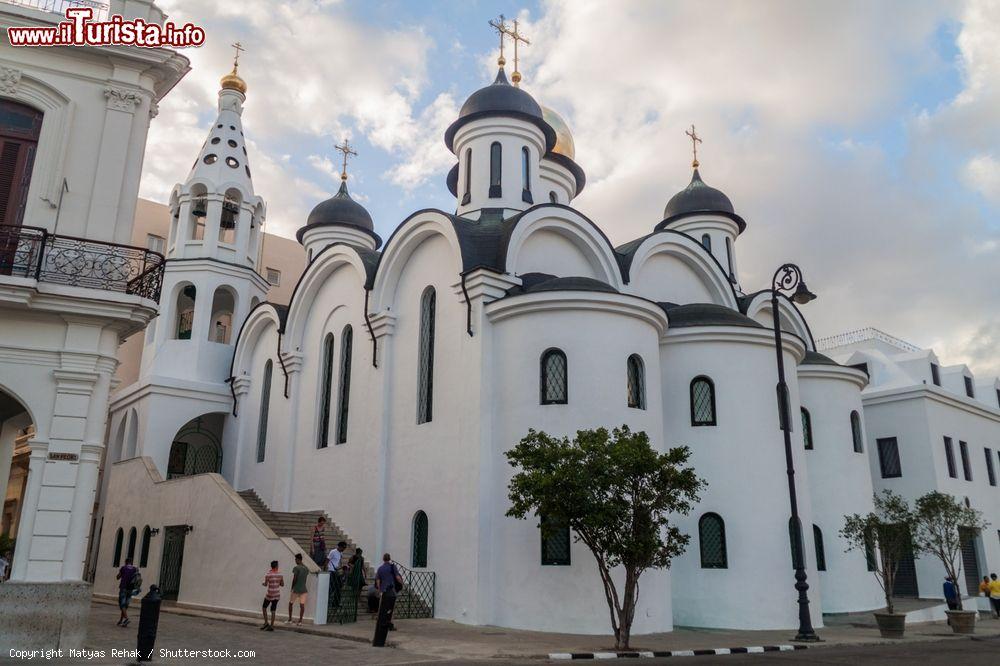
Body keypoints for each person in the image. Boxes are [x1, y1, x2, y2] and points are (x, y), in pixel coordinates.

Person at [374, 553, 403, 631]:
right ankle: (390, 624)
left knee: (381, 608)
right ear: (389, 558)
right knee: (391, 608)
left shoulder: (380, 568)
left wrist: (380, 589)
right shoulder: (392, 567)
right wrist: (401, 583)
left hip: (383, 591)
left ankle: (380, 623)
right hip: (391, 590)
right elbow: (397, 577)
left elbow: (378, 580)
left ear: (383, 559)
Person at [260, 560, 284, 631]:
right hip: (277, 594)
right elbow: (282, 584)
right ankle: (272, 626)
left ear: (271, 566)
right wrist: (277, 582)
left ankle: (266, 622)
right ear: (276, 566)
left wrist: (263, 583)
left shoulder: (268, 574)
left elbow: (265, 584)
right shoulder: (280, 574)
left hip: (270, 594)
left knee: (264, 607)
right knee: (273, 610)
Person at [115, 557, 138, 627]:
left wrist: (120, 574)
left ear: (126, 562)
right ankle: (121, 620)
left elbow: (118, 577)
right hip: (130, 589)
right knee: (125, 605)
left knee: (122, 604)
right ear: (131, 562)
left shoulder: (123, 568)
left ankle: (126, 618)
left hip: (123, 588)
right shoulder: (135, 569)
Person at [287, 554, 309, 625]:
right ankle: (300, 621)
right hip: (304, 589)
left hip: (296, 589)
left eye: (295, 559)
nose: (295, 561)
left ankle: (290, 619)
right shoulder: (306, 568)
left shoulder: (296, 568)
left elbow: (295, 578)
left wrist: (292, 587)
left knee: (290, 603)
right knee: (302, 605)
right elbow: (305, 579)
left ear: (298, 559)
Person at [327, 541, 347, 608]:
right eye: (343, 547)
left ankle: (336, 603)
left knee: (338, 587)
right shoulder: (333, 552)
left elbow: (339, 562)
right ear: (340, 546)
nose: (344, 549)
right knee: (332, 588)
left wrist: (341, 569)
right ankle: (328, 602)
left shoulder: (341, 553)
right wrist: (325, 570)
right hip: (331, 571)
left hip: (337, 572)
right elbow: (327, 560)